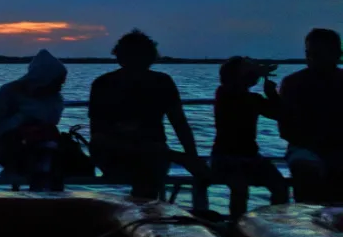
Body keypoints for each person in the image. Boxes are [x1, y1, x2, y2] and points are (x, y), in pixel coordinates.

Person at [89, 30, 211, 210]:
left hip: (152, 154)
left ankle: (144, 214)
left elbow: (179, 124)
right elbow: (98, 135)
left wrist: (192, 157)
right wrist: (187, 157)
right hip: (117, 153)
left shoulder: (161, 82)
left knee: (152, 164)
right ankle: (144, 215)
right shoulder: (104, 84)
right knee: (150, 163)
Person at [211, 56, 289, 218]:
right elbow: (235, 90)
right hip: (225, 158)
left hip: (252, 157)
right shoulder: (224, 93)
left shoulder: (253, 99)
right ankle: (236, 227)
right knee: (240, 187)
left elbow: (280, 114)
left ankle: (276, 225)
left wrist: (272, 95)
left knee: (280, 185)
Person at [0, 49, 67, 192]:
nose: (60, 86)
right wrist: (22, 118)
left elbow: (52, 122)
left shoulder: (54, 98)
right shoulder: (9, 92)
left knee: (53, 152)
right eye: (57, 81)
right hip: (12, 148)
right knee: (43, 157)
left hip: (44, 146)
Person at [279, 28, 343, 203]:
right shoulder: (292, 83)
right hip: (304, 147)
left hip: (332, 147)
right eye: (310, 53)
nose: (312, 58)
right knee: (304, 167)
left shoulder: (292, 83)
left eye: (318, 53)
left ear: (336, 54)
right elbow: (286, 129)